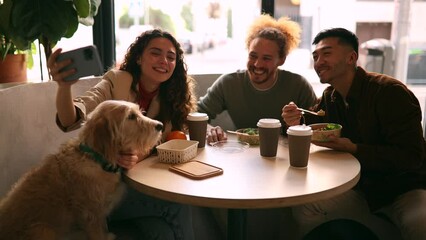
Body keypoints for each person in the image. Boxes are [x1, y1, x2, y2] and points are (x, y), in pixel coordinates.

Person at [47, 29, 197, 240]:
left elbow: (168, 144)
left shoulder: (173, 98)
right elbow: (70, 119)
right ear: (138, 57)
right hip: (103, 189)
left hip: (137, 187)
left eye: (171, 57)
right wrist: (64, 87)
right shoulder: (117, 81)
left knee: (161, 232)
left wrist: (139, 156)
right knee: (177, 206)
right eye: (155, 53)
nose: (163, 60)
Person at [282, 27, 426, 240]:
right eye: (315, 56)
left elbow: (412, 157)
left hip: (404, 189)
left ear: (351, 57)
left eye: (327, 53)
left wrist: (356, 149)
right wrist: (296, 120)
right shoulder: (331, 97)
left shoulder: (389, 92)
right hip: (363, 190)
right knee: (305, 207)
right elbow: (317, 122)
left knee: (420, 223)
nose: (319, 61)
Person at [197, 14, 317, 143]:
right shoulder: (229, 83)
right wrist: (208, 129)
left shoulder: (298, 86)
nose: (257, 64)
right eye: (253, 56)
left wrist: (296, 125)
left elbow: (320, 126)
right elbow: (196, 114)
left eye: (266, 58)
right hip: (242, 154)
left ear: (281, 60)